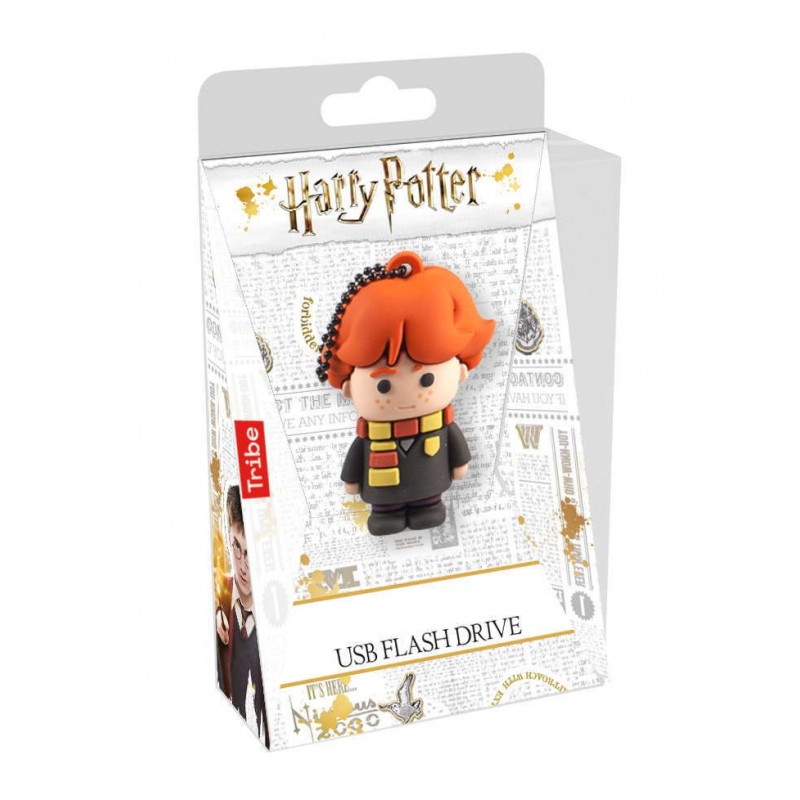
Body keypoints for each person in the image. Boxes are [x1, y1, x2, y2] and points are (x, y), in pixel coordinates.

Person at [317, 250, 495, 535]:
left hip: (430, 484)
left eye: (426, 379)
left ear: (461, 370)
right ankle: (386, 515)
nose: (409, 395)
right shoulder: (371, 435)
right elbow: (357, 453)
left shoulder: (440, 425)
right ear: (349, 387)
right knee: (386, 514)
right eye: (383, 385)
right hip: (383, 490)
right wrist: (351, 478)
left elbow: (455, 442)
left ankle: (428, 508)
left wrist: (459, 462)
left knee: (429, 507)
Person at [215, 485, 267, 742]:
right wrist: (217, 607)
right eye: (237, 548)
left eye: (251, 553)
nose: (244, 566)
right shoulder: (219, 595)